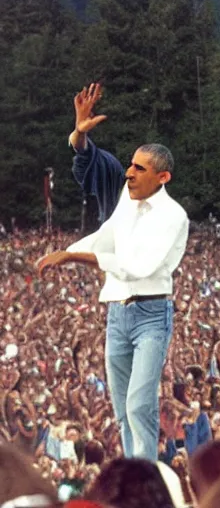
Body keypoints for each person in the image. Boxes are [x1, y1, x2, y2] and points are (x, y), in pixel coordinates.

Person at [37, 83, 189, 462]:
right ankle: (131, 477)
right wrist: (79, 133)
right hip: (117, 314)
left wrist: (70, 258)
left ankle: (146, 478)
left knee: (140, 403)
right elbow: (105, 233)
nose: (129, 172)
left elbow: (137, 267)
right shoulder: (125, 196)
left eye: (140, 168)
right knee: (122, 409)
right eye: (131, 164)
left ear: (163, 177)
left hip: (151, 314)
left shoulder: (172, 217)